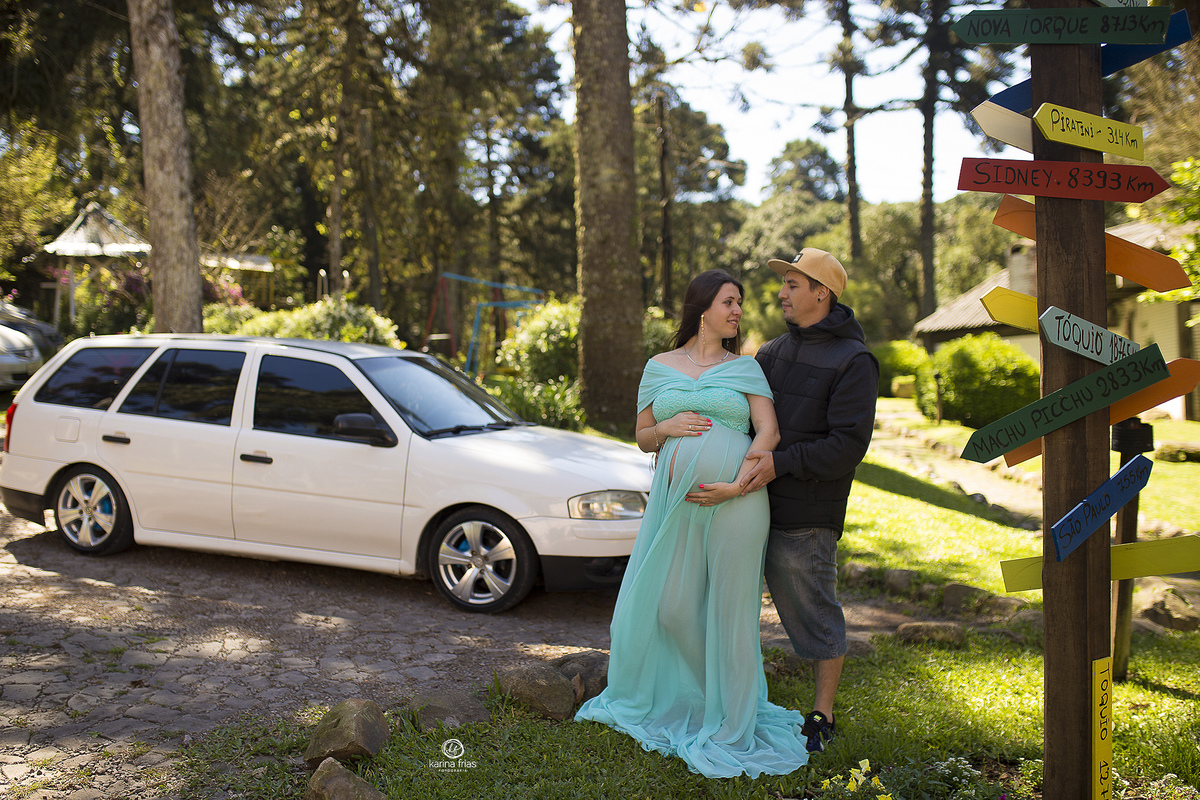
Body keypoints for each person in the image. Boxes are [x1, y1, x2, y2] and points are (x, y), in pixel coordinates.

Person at [575, 269, 810, 778]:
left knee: (731, 614)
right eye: (729, 302)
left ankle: (733, 720)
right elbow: (642, 435)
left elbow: (768, 432)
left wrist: (737, 484)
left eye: (739, 303)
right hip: (676, 504)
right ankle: (708, 697)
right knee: (674, 608)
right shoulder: (658, 367)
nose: (738, 311)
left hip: (738, 502)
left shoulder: (745, 367)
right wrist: (665, 427)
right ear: (702, 308)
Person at [737, 247, 879, 754]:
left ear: (822, 293)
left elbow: (847, 447)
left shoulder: (855, 361)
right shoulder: (771, 353)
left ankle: (823, 714)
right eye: (784, 284)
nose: (781, 293)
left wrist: (781, 463)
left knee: (815, 613)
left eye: (793, 284)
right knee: (732, 607)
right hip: (749, 505)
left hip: (807, 514)